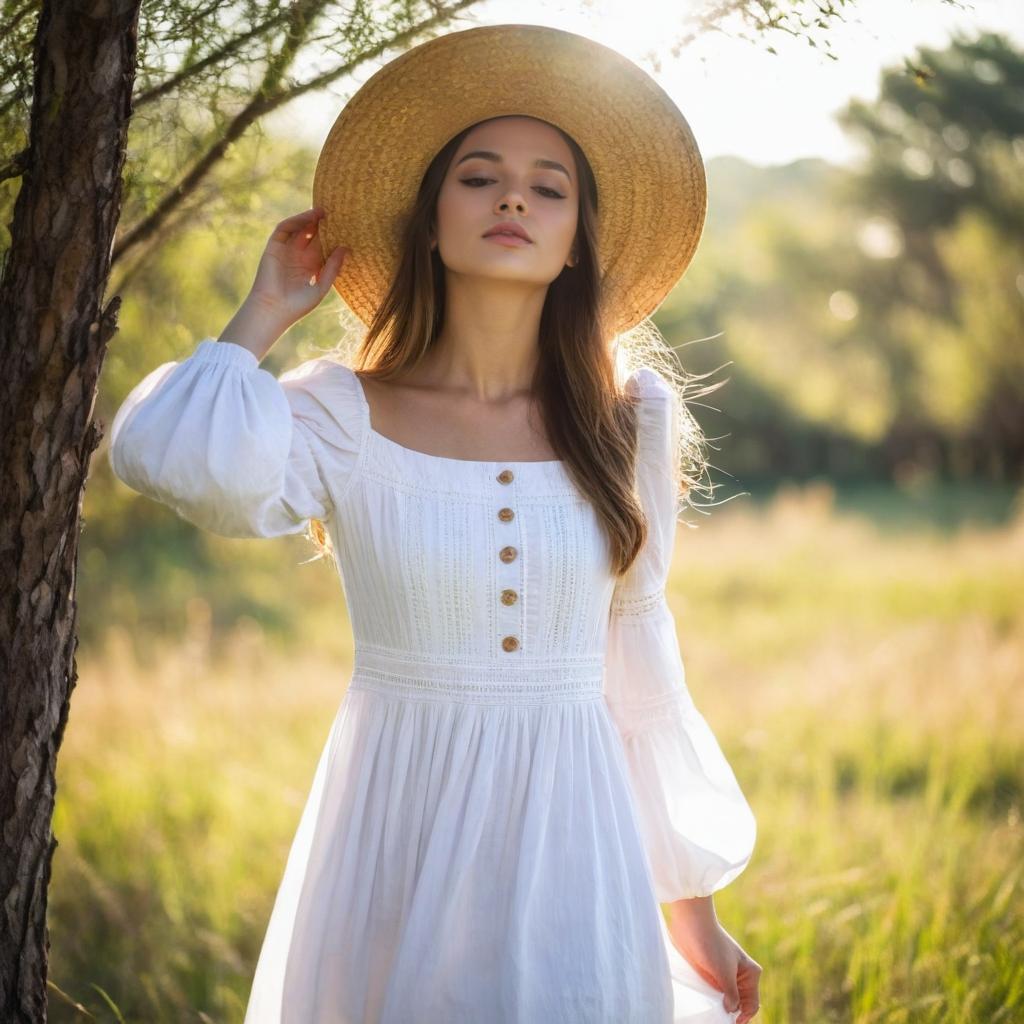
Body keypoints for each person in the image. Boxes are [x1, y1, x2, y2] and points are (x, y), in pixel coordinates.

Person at [107, 23, 761, 1024]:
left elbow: (640, 665)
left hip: (574, 838)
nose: (513, 197)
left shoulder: (631, 422)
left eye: (550, 187)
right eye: (479, 176)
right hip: (390, 828)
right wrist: (260, 314)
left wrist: (692, 913)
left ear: (579, 237)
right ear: (428, 220)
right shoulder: (338, 411)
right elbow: (164, 455)